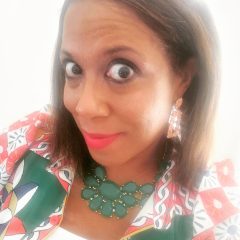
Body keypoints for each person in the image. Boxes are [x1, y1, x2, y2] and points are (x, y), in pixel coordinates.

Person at [0, 0, 239, 239]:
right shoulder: (30, 139)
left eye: (122, 71)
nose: (84, 106)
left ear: (183, 78)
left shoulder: (215, 212)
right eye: (74, 69)